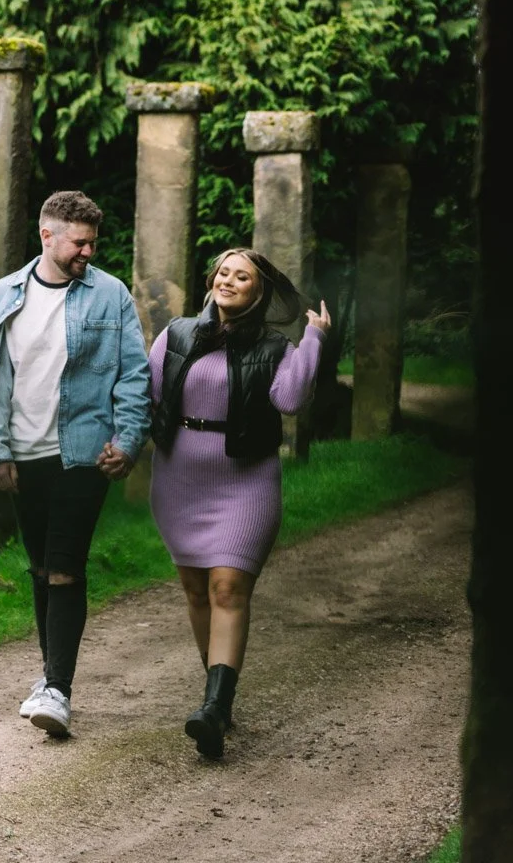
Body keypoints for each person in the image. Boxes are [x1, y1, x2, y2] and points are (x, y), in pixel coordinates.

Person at [0, 190, 151, 738]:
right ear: (47, 236)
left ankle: (58, 689)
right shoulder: (4, 295)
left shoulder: (110, 294)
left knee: (66, 566)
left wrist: (128, 440)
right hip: (25, 454)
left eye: (93, 243)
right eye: (79, 242)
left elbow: (134, 373)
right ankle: (51, 675)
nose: (88, 252)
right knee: (41, 568)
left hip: (84, 452)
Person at [146, 247, 332, 759]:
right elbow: (148, 397)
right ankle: (217, 700)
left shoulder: (274, 346)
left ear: (258, 291)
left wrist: (314, 338)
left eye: (242, 277)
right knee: (196, 591)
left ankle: (214, 707)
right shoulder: (176, 334)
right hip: (179, 478)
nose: (228, 281)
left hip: (246, 480)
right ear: (212, 281)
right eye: (223, 272)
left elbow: (290, 400)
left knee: (227, 587)